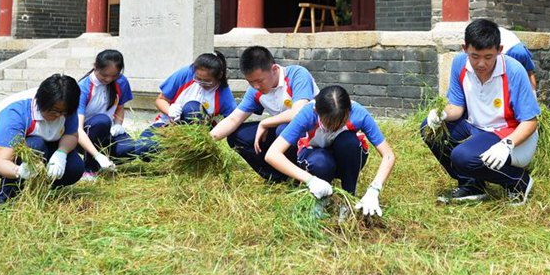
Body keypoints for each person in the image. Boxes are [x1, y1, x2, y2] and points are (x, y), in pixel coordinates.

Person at [422, 19, 540, 205]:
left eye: (488, 57)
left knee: (462, 157)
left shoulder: (514, 71)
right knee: (429, 129)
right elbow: (457, 107)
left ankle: (518, 181)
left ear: (499, 50)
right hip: (475, 125)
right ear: (464, 48)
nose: (481, 64)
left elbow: (531, 121)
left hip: (506, 130)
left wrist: (506, 145)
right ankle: (472, 185)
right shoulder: (460, 64)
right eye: (475, 56)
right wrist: (442, 114)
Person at [265, 85, 396, 218]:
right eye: (329, 123)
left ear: (349, 111)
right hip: (317, 156)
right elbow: (272, 154)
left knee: (349, 142)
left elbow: (388, 155)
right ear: (316, 111)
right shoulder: (307, 113)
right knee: (321, 162)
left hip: (345, 156)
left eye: (340, 122)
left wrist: (375, 189)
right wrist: (310, 180)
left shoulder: (359, 113)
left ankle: (348, 199)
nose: (334, 128)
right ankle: (321, 199)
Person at [0, 74, 85, 204]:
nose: (59, 116)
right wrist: (19, 171)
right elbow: (1, 161)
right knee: (35, 145)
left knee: (75, 167)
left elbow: (72, 135)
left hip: (40, 145)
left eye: (64, 112)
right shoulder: (17, 112)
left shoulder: (66, 105)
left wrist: (61, 154)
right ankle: (6, 200)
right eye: (54, 111)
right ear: (41, 102)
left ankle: (39, 190)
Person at [210, 46, 319, 182]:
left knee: (283, 128)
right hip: (282, 134)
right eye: (250, 82)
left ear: (274, 69)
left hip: (312, 134)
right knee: (237, 136)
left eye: (259, 81)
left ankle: (300, 175)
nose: (256, 86)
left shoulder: (296, 74)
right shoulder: (255, 91)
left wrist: (265, 122)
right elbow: (233, 119)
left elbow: (299, 113)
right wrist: (207, 141)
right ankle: (278, 178)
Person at [123, 52, 237, 159]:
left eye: (207, 81)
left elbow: (233, 119)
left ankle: (190, 152)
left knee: (192, 108)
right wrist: (169, 110)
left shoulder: (223, 93)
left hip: (197, 134)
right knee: (142, 148)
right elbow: (160, 100)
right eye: (198, 79)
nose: (201, 84)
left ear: (219, 76)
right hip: (168, 125)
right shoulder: (186, 73)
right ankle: (172, 155)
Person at [76, 49, 134, 180]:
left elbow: (119, 107)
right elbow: (77, 128)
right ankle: (89, 167)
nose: (109, 79)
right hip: (84, 135)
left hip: (107, 132)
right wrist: (97, 155)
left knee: (129, 148)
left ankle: (107, 161)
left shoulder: (121, 82)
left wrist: (118, 125)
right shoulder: (83, 87)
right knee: (102, 121)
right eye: (104, 75)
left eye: (114, 76)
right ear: (95, 67)